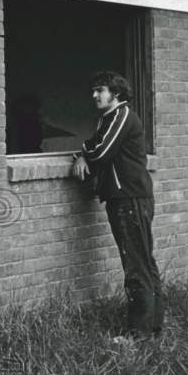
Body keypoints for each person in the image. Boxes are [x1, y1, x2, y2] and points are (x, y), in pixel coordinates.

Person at [71, 70, 163, 338]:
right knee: (142, 262)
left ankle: (138, 334)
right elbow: (97, 146)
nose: (94, 95)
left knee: (136, 265)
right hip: (126, 198)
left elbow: (101, 150)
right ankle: (152, 327)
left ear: (117, 93)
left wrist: (83, 153)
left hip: (129, 199)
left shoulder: (122, 115)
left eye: (100, 90)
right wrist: (84, 153)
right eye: (94, 90)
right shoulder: (109, 118)